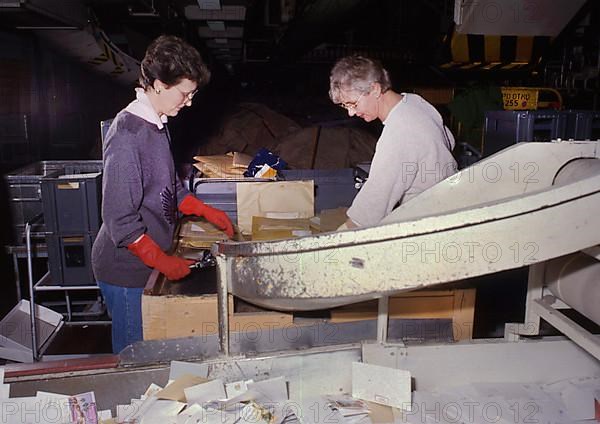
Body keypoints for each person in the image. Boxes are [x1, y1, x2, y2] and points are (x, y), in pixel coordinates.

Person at [92, 35, 234, 353]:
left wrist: (203, 209)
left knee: (151, 347)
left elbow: (168, 185)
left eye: (193, 94)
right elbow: (119, 218)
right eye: (184, 93)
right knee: (135, 355)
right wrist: (162, 261)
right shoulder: (128, 134)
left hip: (146, 262)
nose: (189, 102)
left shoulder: (157, 124)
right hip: (125, 268)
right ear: (158, 84)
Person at [329, 55, 457, 228]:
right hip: (449, 208)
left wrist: (336, 238)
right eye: (345, 106)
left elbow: (373, 205)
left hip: (427, 224)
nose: (351, 113)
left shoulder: (400, 130)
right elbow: (449, 140)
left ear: (374, 89)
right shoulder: (414, 102)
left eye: (353, 104)